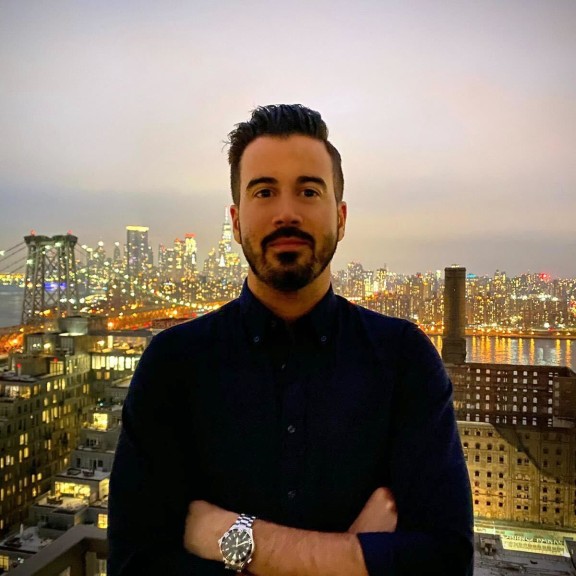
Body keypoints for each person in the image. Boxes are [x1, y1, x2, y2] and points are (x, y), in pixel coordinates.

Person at [108, 104, 473, 575]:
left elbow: (445, 561)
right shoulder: (173, 363)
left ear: (340, 218)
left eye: (308, 190)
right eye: (264, 192)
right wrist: (356, 555)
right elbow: (136, 565)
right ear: (236, 222)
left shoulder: (405, 359)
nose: (286, 213)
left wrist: (230, 537)